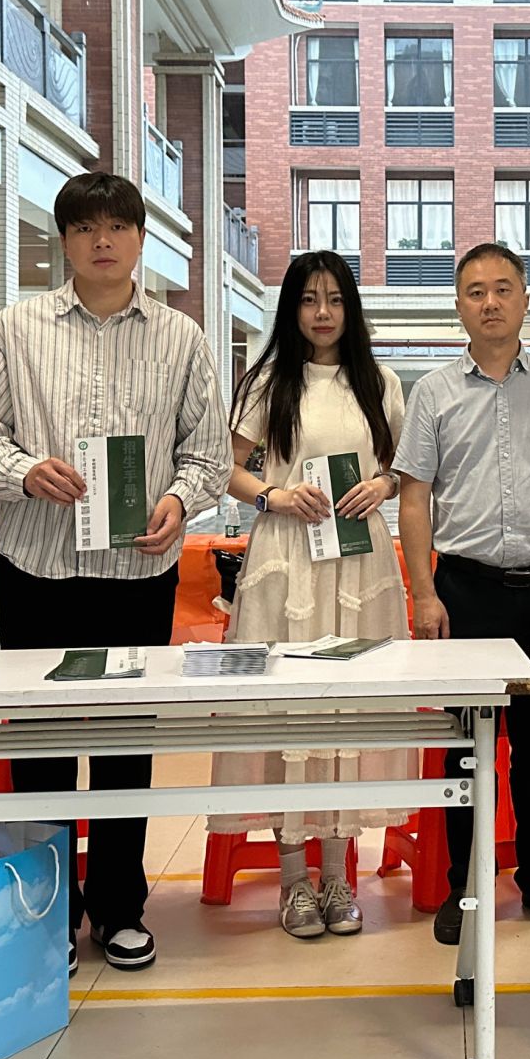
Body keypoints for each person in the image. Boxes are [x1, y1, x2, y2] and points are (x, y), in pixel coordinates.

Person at [0, 171, 230, 974]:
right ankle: (44, 910)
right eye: (84, 228)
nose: (102, 241)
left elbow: (207, 454)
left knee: (124, 741)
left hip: (136, 570)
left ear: (142, 239)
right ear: (64, 241)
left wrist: (178, 503)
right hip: (36, 566)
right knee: (38, 743)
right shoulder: (15, 328)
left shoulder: (181, 338)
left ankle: (119, 907)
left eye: (117, 226)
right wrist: (24, 471)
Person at [395, 242, 530, 946]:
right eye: (476, 291)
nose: (490, 302)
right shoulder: (433, 391)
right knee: (466, 745)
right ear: (459, 306)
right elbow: (415, 498)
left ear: (524, 299)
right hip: (466, 591)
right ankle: (466, 884)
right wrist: (424, 591)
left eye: (503, 288)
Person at [216, 250, 410, 940]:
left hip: (359, 562)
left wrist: (383, 485)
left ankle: (338, 877)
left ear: (350, 308)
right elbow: (226, 469)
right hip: (287, 558)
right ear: (290, 308)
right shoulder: (268, 381)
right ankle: (294, 880)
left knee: (347, 712)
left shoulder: (380, 382)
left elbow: (404, 469)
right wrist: (273, 494)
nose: (322, 313)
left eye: (334, 299)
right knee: (290, 712)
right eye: (308, 299)